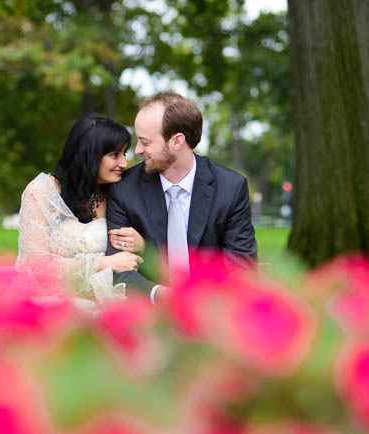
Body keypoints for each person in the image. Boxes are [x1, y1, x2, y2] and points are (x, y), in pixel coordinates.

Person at [105, 91, 258, 303]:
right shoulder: (124, 189)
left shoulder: (230, 188)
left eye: (145, 142)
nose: (138, 150)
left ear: (177, 141)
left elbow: (241, 267)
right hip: (148, 313)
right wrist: (161, 296)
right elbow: (119, 270)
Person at [15, 114, 146, 306]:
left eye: (124, 154)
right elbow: (37, 268)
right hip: (52, 304)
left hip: (111, 303)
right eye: (114, 155)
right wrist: (104, 264)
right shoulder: (42, 192)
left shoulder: (120, 192)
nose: (124, 164)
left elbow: (153, 250)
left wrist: (142, 245)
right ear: (89, 154)